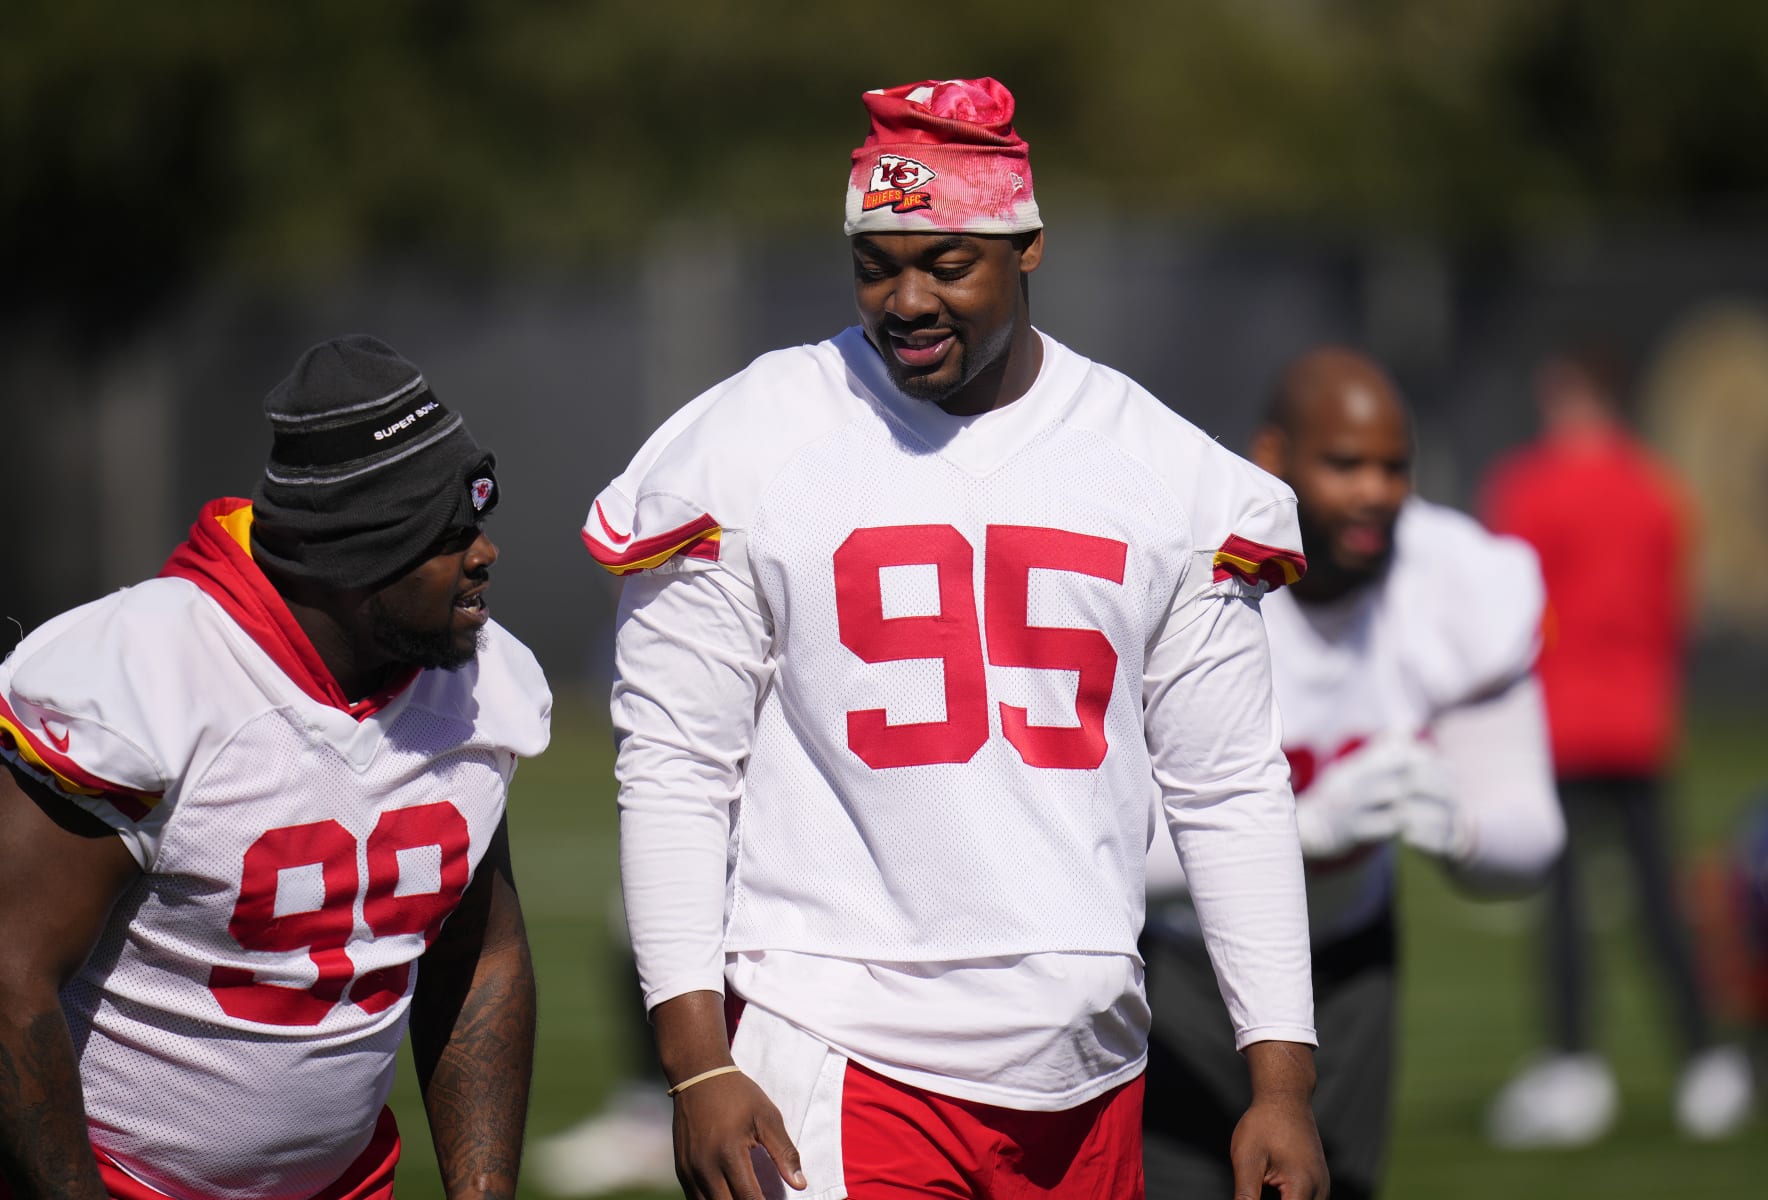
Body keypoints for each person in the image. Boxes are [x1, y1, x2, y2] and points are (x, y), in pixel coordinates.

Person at [582, 78, 1326, 1200]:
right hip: (836, 1043)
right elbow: (678, 769)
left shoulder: (1164, 471)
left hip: (1089, 1054)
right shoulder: (750, 442)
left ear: (1026, 248)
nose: (907, 299)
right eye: (876, 263)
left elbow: (1227, 790)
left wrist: (1279, 1086)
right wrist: (694, 1063)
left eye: (946, 262)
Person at [0, 336, 552, 1200]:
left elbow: (477, 955)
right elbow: (10, 972)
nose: (483, 555)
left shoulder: (480, 684)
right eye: (445, 535)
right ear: (354, 557)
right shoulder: (149, 676)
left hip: (348, 1182)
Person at [1141, 347, 1567, 1200]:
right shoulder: (1186, 568)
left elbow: (1533, 832)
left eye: (1393, 467)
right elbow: (1100, 843)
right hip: (1178, 961)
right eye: (1344, 464)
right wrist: (1300, 831)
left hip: (1349, 963)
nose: (1374, 491)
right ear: (1273, 457)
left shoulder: (1454, 578)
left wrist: (1464, 828)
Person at [1480, 348, 1755, 1145]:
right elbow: (1674, 610)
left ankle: (1572, 1070)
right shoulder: (1658, 491)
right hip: (1639, 720)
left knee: (1563, 906)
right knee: (1660, 901)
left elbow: (1509, 610)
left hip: (1560, 722)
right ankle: (1709, 1066)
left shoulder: (1529, 486)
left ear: (1564, 390)